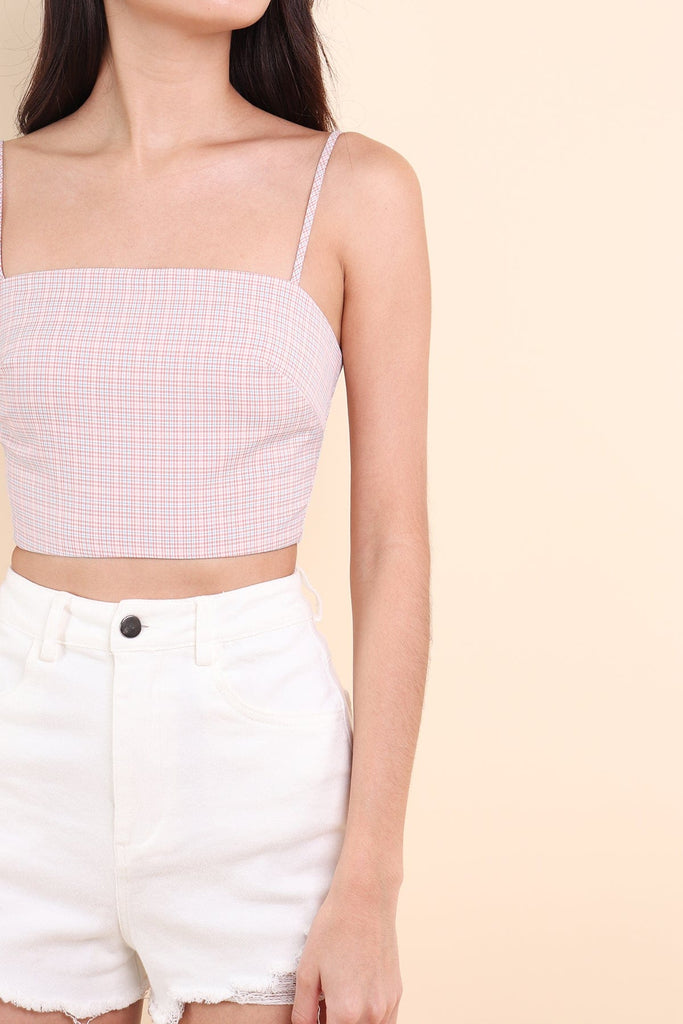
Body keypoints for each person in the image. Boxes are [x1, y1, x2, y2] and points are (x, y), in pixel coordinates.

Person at [0, 1, 431, 1023]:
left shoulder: (353, 190)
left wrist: (370, 882)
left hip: (255, 761)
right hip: (24, 749)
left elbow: (391, 545)